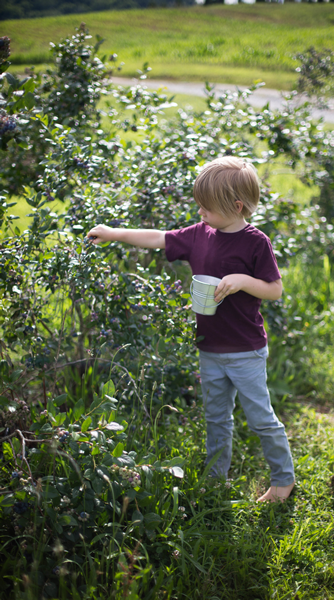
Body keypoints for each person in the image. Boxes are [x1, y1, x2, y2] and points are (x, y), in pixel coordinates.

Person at [87, 156, 295, 503]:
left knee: (261, 419)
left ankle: (283, 479)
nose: (200, 213)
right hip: (210, 348)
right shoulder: (200, 234)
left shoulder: (256, 243)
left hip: (245, 351)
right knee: (216, 419)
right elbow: (159, 238)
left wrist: (243, 280)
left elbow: (274, 290)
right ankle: (216, 479)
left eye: (206, 208)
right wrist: (113, 234)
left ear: (236, 205)